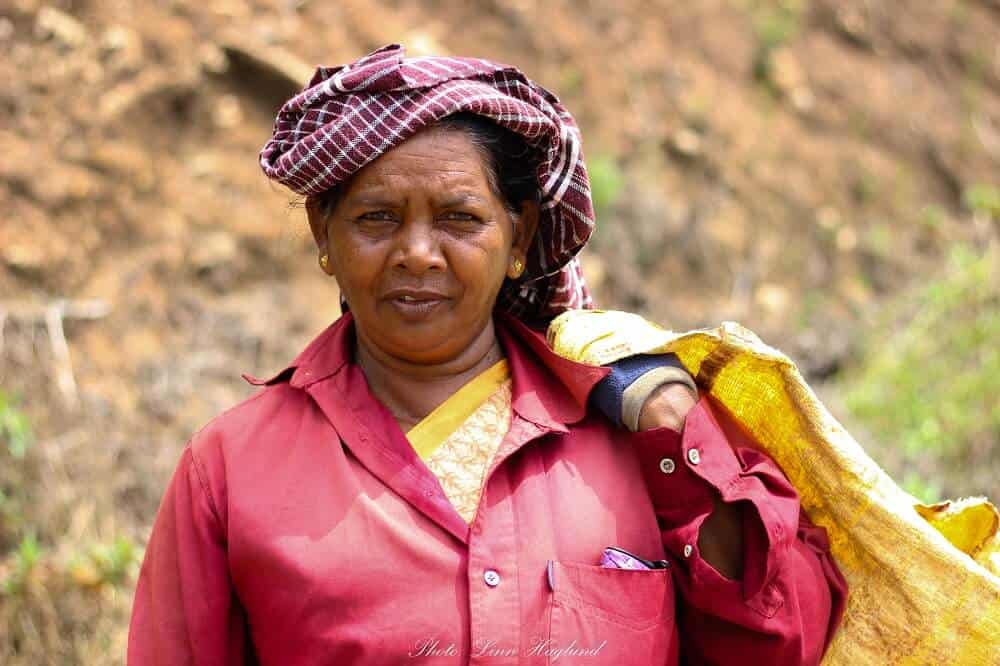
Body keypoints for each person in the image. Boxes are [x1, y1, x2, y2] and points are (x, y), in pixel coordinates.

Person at [127, 44, 846, 665]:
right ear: (325, 232)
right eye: (377, 218)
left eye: (459, 219)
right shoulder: (231, 470)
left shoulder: (639, 428)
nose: (416, 253)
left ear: (520, 237)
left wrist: (679, 437)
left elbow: (789, 644)